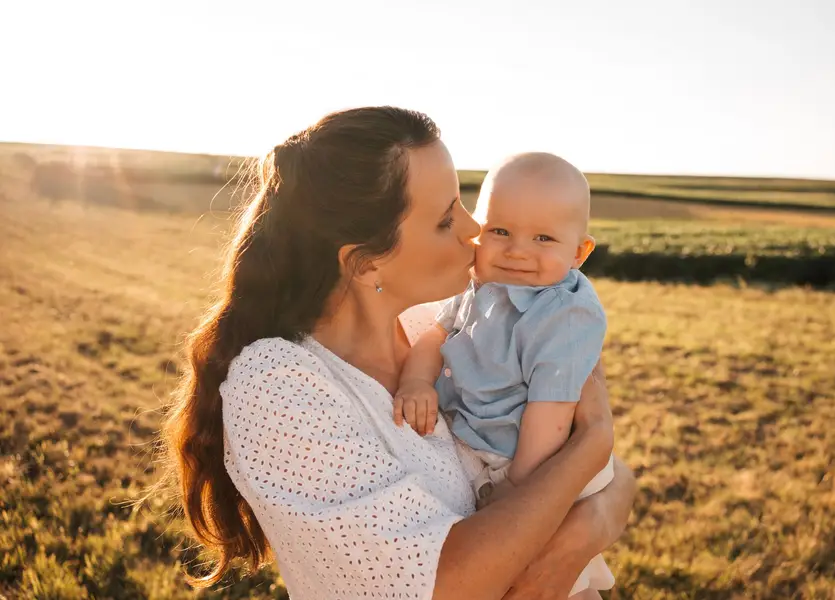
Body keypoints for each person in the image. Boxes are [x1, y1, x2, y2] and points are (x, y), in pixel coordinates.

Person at [157, 106, 636, 600]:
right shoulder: (279, 389)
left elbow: (616, 483)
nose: (476, 229)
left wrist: (580, 531)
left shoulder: (440, 324)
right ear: (365, 263)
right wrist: (592, 442)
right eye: (447, 217)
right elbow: (445, 585)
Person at [393, 152, 616, 595]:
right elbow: (436, 337)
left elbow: (550, 408)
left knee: (550, 577)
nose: (517, 251)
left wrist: (522, 490)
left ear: (579, 252)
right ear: (478, 232)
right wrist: (416, 381)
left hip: (533, 460)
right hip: (484, 445)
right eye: (500, 231)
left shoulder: (565, 314)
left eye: (543, 238)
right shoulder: (476, 286)